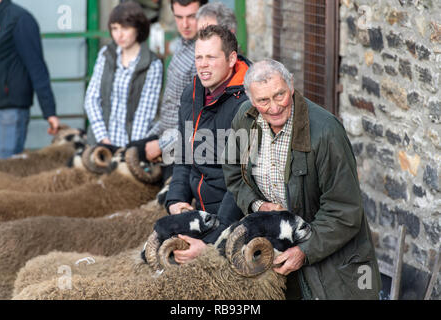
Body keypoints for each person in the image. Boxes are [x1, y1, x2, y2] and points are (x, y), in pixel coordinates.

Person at [222, 59, 382, 300]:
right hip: (278, 251)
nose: (274, 107)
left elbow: (344, 210)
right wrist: (258, 205)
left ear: (291, 86)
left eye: (280, 95)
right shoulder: (244, 119)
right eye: (263, 101)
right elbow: (234, 172)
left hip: (332, 259)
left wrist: (304, 250)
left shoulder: (326, 132)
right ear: (251, 101)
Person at [165, 25, 250, 263]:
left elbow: (242, 179)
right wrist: (176, 199)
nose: (202, 64)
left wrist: (211, 242)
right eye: (198, 57)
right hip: (198, 213)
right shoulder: (191, 94)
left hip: (234, 222)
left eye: (211, 57)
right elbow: (184, 154)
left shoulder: (247, 103)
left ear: (231, 58)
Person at [127, 0, 207, 182]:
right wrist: (150, 138)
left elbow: (202, 121)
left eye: (191, 17)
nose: (184, 24)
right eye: (179, 17)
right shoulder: (180, 46)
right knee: (126, 153)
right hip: (166, 133)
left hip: (186, 148)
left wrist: (161, 145)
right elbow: (171, 107)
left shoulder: (204, 57)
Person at [84, 1, 163, 147]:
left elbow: (144, 114)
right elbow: (92, 99)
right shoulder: (106, 54)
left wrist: (130, 150)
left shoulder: (152, 64)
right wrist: (103, 139)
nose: (119, 35)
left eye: (125, 28)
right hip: (100, 143)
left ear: (138, 28)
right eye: (115, 28)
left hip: (130, 147)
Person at [0, 0, 59, 159]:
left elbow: (36, 67)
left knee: (4, 172)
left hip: (7, 112)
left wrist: (49, 111)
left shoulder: (19, 19)